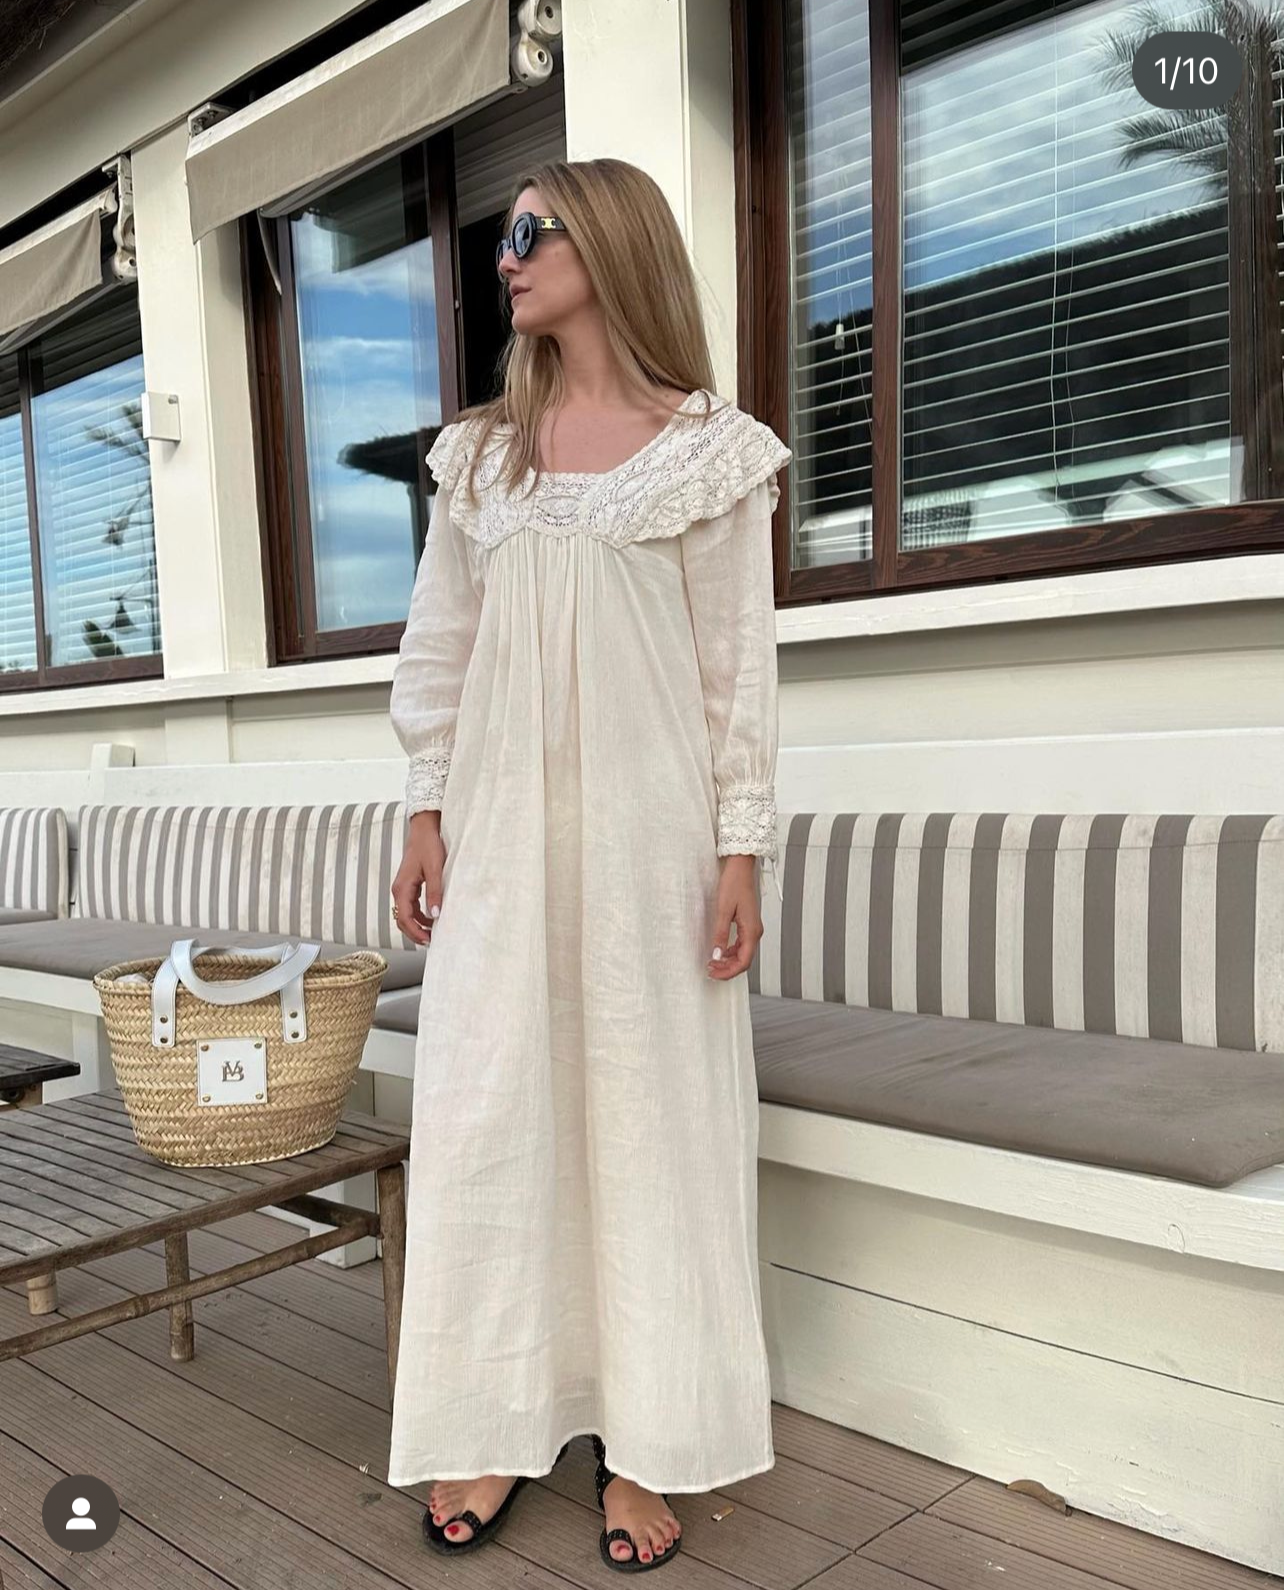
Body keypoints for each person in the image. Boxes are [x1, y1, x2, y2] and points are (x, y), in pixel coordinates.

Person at [385, 156, 791, 1573]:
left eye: (530, 232)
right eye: (504, 236)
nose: (506, 256)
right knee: (492, 1112)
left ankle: (649, 1434)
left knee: (649, 1120)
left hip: (648, 848)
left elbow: (737, 671)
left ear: (608, 243)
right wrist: (425, 805)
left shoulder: (710, 452)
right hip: (499, 841)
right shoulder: (480, 458)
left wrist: (740, 848)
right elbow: (440, 644)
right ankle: (495, 1417)